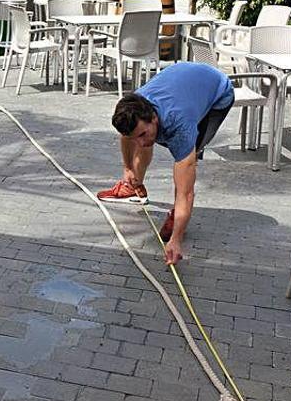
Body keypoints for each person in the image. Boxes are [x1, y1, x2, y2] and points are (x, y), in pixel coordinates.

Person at [98, 62, 235, 265]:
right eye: (135, 137)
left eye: (143, 134)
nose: (141, 142)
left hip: (218, 92)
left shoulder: (179, 125)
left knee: (187, 160)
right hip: (181, 81)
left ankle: (177, 218)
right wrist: (127, 168)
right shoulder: (133, 109)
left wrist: (176, 240)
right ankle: (134, 187)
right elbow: (127, 135)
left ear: (154, 117)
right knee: (142, 140)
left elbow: (185, 192)